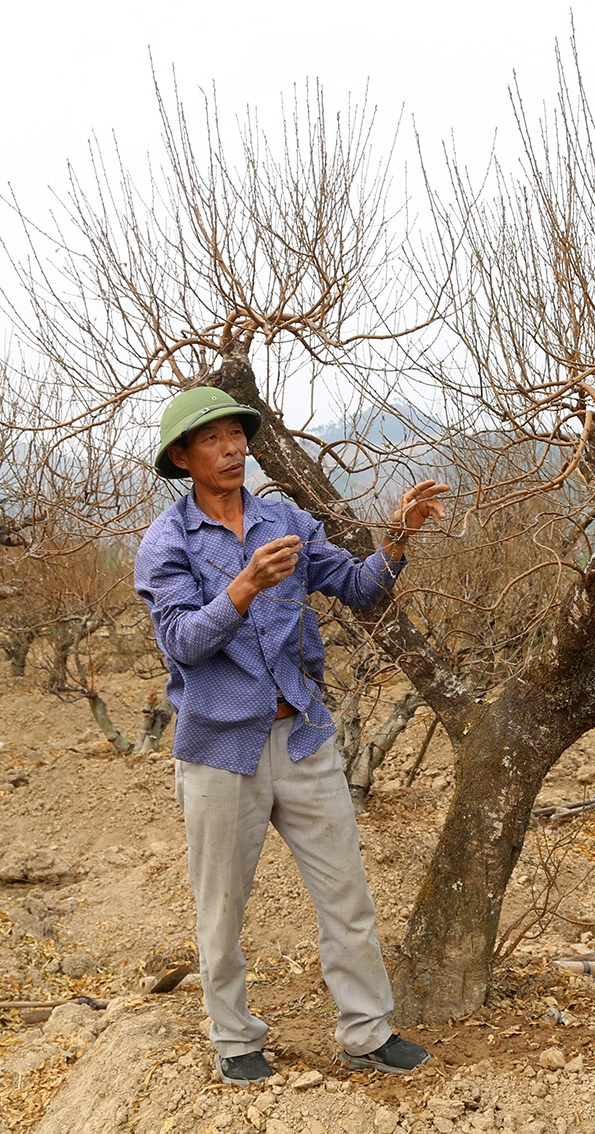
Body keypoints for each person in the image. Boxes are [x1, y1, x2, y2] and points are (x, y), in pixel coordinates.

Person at [134, 386, 449, 1085]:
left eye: (237, 435)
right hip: (220, 750)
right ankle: (234, 1037)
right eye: (212, 438)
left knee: (347, 896)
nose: (232, 447)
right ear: (182, 457)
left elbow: (361, 589)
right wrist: (242, 586)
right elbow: (183, 642)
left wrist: (396, 537)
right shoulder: (167, 543)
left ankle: (367, 1033)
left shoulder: (285, 519)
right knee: (221, 907)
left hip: (302, 738)